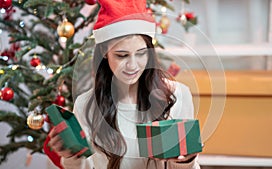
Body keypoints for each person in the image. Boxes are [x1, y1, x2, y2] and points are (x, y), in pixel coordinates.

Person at [46, 0, 201, 168]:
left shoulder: (177, 96)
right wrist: (71, 157)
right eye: (122, 55)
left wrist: (186, 161)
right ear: (105, 53)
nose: (133, 65)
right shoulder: (86, 105)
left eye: (141, 54)